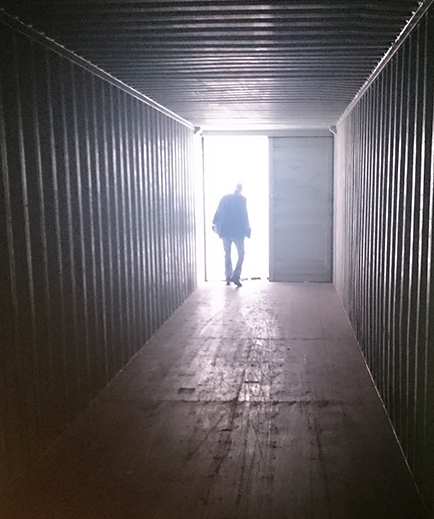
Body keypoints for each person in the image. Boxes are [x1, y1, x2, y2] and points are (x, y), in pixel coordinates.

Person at [212, 183, 251, 287]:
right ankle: (236, 275)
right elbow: (244, 214)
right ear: (241, 189)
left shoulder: (225, 198)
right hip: (237, 232)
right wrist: (247, 228)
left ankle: (228, 277)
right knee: (241, 254)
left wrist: (214, 224)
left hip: (225, 231)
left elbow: (218, 212)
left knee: (227, 254)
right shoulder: (242, 199)